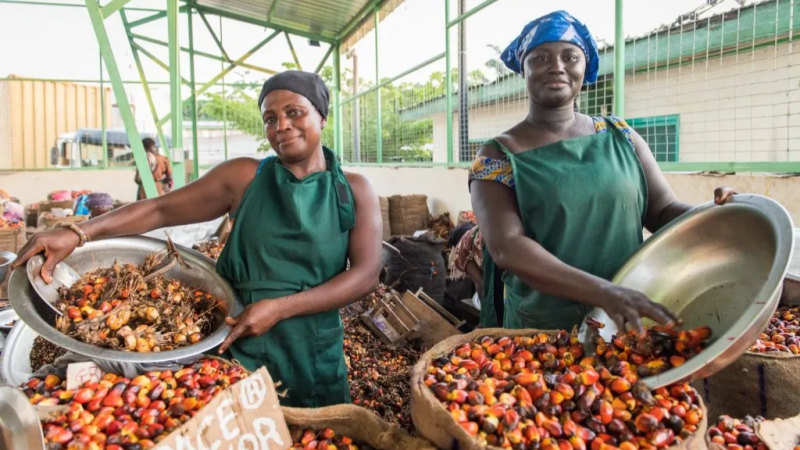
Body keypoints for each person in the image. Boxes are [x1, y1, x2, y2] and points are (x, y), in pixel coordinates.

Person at [12, 70, 383, 408]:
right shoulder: (245, 177)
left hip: (312, 347)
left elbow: (365, 275)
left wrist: (281, 308)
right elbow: (159, 210)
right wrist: (77, 233)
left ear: (321, 115)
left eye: (294, 112)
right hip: (235, 335)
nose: (281, 126)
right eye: (270, 118)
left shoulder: (352, 190)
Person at [470, 11, 736, 333]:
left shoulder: (620, 136)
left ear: (586, 67)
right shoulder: (498, 156)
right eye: (540, 57)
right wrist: (606, 293)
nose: (557, 66)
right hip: (545, 333)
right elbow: (507, 247)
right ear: (523, 69)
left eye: (570, 56)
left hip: (627, 320)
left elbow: (663, 210)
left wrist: (719, 215)